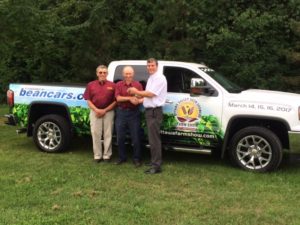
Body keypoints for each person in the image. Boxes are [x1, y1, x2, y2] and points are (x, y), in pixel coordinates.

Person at [128, 58, 167, 174]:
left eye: (152, 65)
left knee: (154, 140)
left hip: (154, 112)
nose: (150, 67)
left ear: (157, 66)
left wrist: (136, 91)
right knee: (152, 138)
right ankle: (154, 161)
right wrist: (139, 100)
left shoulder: (160, 78)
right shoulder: (152, 78)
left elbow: (151, 93)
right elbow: (149, 96)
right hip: (150, 111)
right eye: (148, 65)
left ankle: (156, 166)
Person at [83, 65, 116, 163]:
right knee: (95, 134)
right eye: (100, 72)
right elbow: (88, 100)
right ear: (97, 73)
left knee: (108, 134)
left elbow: (115, 101)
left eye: (104, 72)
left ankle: (107, 156)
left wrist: (104, 110)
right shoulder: (90, 85)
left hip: (108, 112)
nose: (102, 74)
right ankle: (97, 155)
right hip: (95, 112)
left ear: (107, 74)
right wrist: (96, 110)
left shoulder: (113, 85)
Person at [114, 66, 144, 167]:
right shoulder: (118, 84)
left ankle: (137, 159)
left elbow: (142, 97)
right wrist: (130, 98)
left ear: (133, 74)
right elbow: (118, 98)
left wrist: (137, 100)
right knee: (120, 137)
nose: (128, 76)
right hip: (121, 113)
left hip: (134, 113)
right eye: (126, 74)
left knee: (135, 137)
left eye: (129, 73)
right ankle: (122, 157)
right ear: (123, 74)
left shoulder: (138, 85)